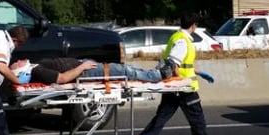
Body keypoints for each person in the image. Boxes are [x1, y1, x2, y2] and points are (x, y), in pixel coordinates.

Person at [134, 15, 218, 135]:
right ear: (193, 25)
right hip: (183, 88)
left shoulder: (176, 37)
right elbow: (173, 62)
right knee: (197, 117)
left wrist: (198, 72)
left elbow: (182, 63)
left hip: (173, 86)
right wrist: (180, 80)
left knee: (162, 115)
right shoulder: (183, 41)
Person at [23, 57, 170, 85]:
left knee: (125, 69)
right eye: (14, 64)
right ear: (20, 71)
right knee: (124, 71)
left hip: (83, 65)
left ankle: (154, 72)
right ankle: (159, 75)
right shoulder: (38, 71)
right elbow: (62, 78)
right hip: (84, 72)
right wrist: (82, 67)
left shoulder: (35, 66)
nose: (16, 61)